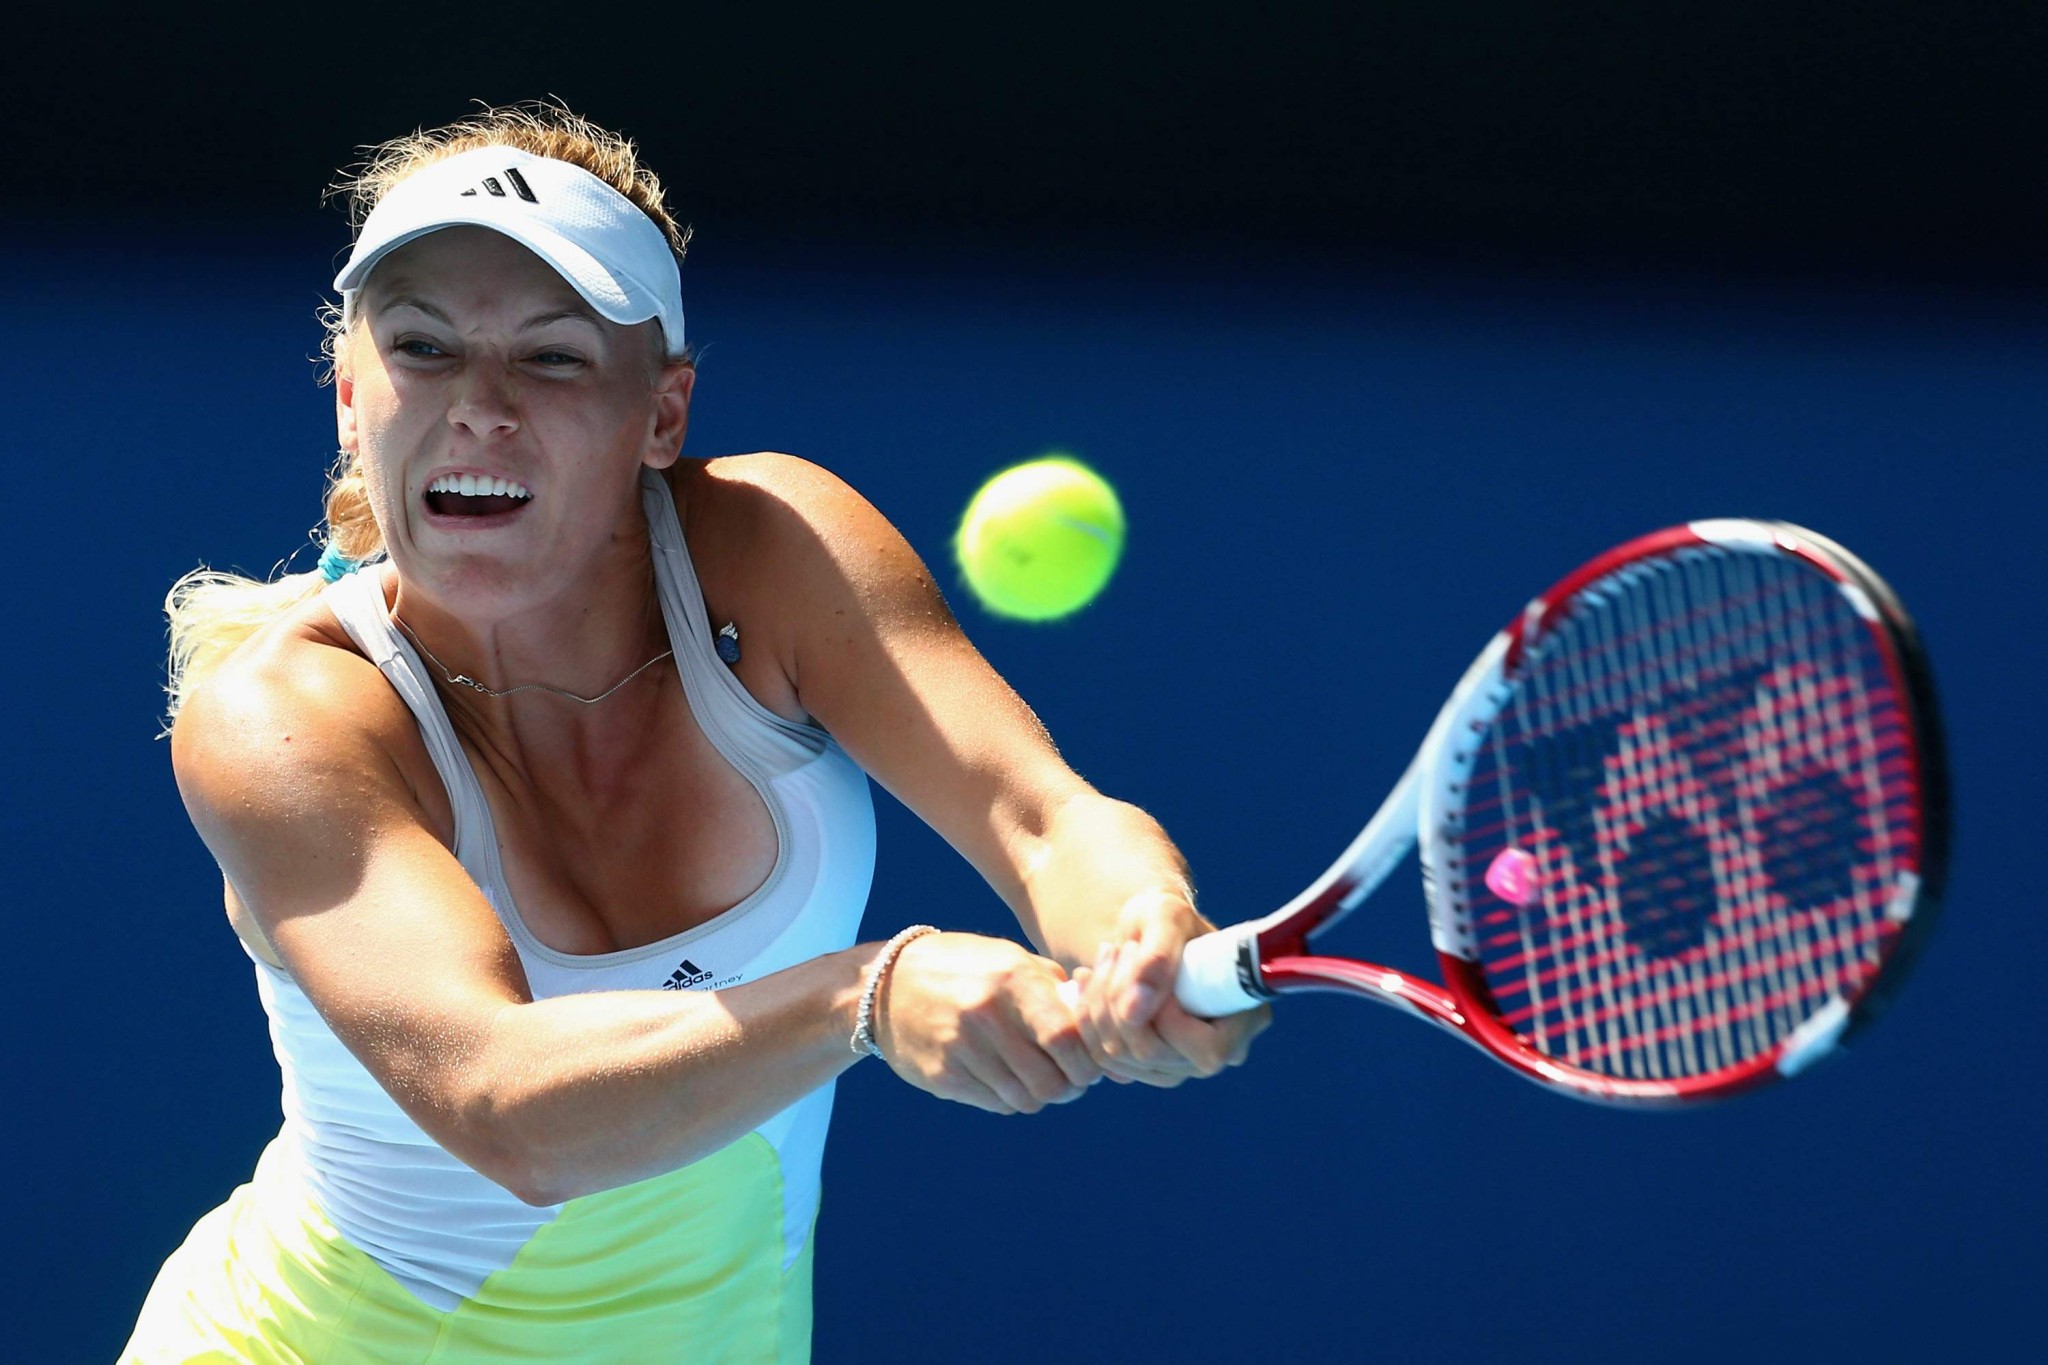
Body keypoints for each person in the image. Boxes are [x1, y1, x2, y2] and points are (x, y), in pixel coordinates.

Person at [121, 102, 1265, 1362]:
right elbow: (501, 1106)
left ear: (661, 416)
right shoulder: (281, 719)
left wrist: (1140, 929)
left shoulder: (769, 551)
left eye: (552, 358)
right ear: (352, 399)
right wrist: (867, 995)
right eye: (424, 348)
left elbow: (1041, 818)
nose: (479, 407)